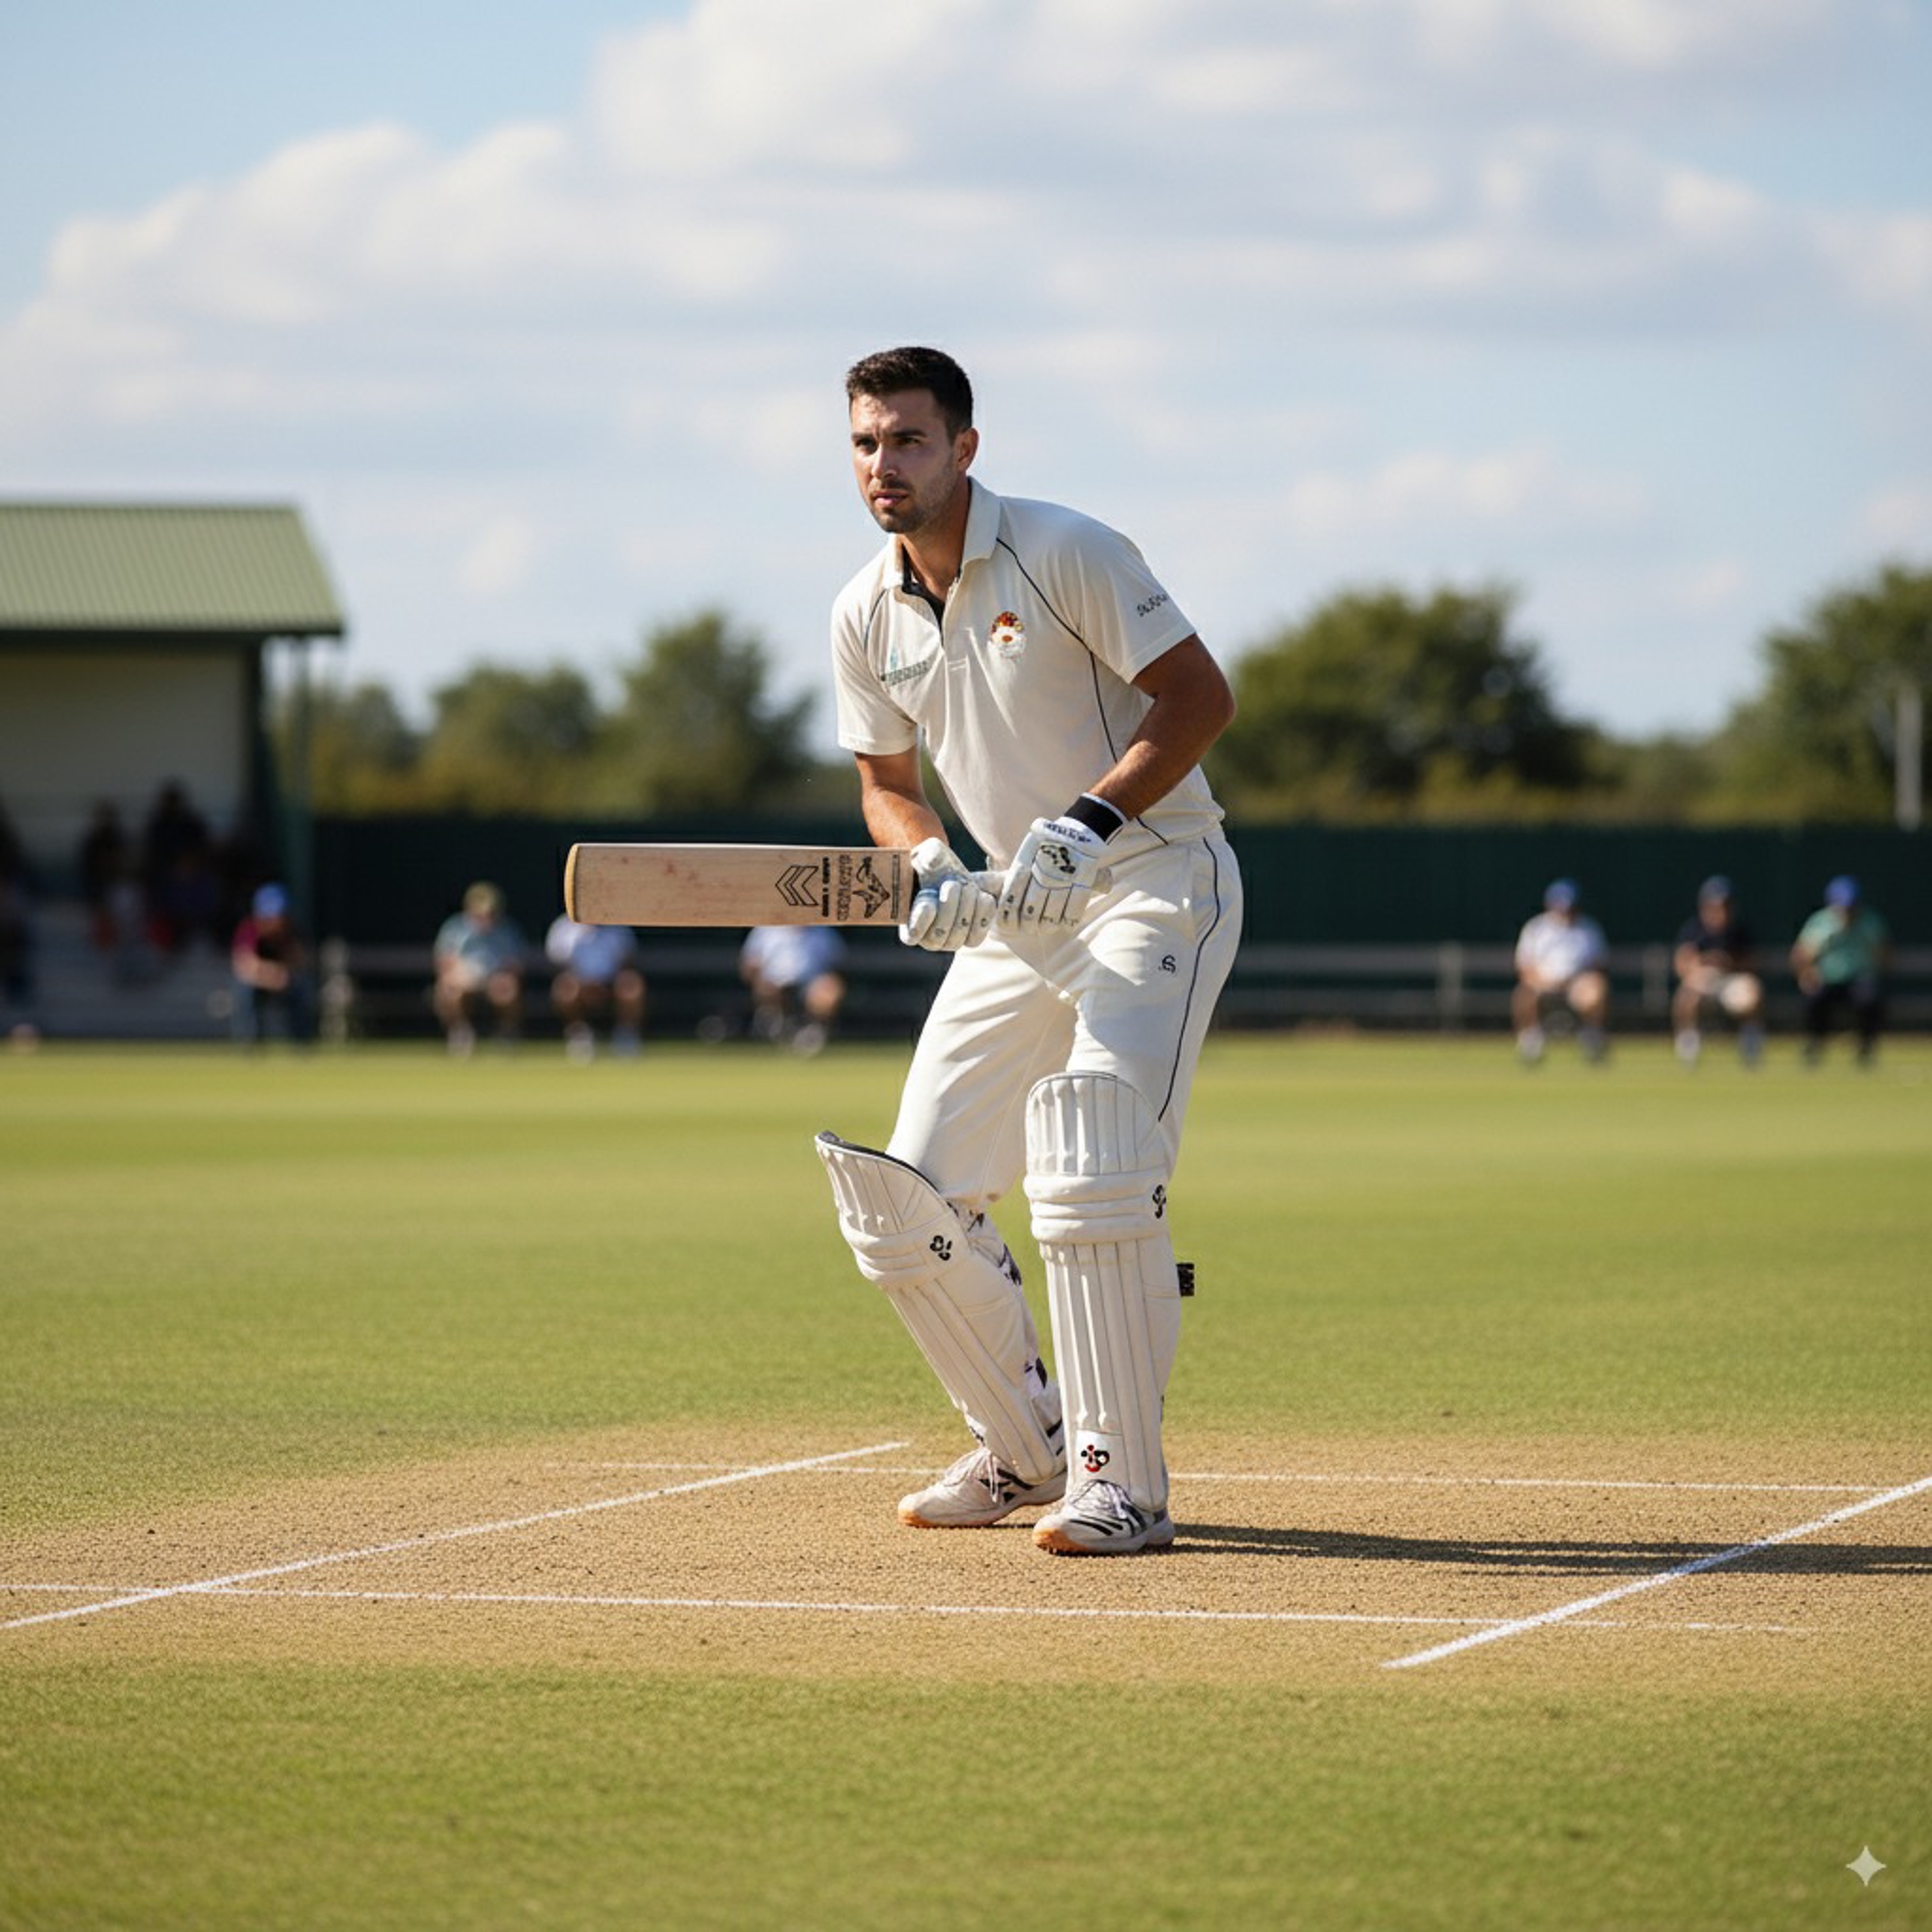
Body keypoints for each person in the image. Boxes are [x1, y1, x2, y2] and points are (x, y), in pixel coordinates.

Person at [812, 344, 1242, 1557]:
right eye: (864, 443)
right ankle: (1022, 1445)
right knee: (907, 1200)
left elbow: (1199, 696)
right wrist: (928, 860)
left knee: (1092, 1159)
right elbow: (885, 784)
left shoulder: (1063, 550)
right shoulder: (861, 610)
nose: (884, 464)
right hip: (1014, 907)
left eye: (907, 439)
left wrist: (1088, 820)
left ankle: (1119, 1482)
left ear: (963, 447)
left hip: (1151, 878)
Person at [1791, 875, 1891, 1065]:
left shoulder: (1869, 922)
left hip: (1858, 979)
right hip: (1827, 980)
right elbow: (1801, 953)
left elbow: (1884, 953)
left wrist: (1875, 970)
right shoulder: (1821, 923)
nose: (1847, 911)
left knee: (1869, 997)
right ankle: (1815, 1044)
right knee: (1814, 997)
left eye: (1851, 906)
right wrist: (1807, 974)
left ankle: (1866, 1046)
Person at [1671, 875, 1764, 1068]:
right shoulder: (1693, 929)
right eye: (1714, 905)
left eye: (1725, 905)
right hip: (1703, 982)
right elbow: (1681, 964)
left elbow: (1753, 964)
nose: (1720, 910)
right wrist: (1703, 964)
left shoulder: (1739, 930)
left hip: (1731, 981)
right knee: (1686, 995)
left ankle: (1751, 1044)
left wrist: (1728, 962)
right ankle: (1689, 1046)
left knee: (1752, 991)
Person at [1513, 878, 1609, 1064]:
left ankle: (1592, 1036)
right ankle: (1531, 1041)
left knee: (1596, 989)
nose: (1565, 912)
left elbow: (1597, 966)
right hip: (1542, 984)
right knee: (1524, 993)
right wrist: (1544, 982)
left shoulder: (1589, 929)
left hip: (1577, 984)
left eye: (1569, 907)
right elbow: (1524, 967)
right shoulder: (1535, 929)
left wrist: (1575, 981)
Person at [432, 881, 528, 1055]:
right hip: (463, 980)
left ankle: (506, 1034)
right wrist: (458, 976)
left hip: (495, 980)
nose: (485, 916)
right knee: (448, 991)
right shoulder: (454, 929)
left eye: (490, 912)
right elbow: (444, 963)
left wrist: (504, 977)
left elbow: (515, 965)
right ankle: (461, 1033)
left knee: (509, 990)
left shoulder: (507, 930)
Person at [545, 913, 646, 1061]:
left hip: (611, 984)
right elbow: (559, 965)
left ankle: (625, 1035)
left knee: (632, 985)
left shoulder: (618, 927)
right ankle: (579, 1035)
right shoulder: (563, 927)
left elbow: (627, 962)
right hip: (579, 983)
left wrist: (606, 982)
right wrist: (585, 982)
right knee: (565, 988)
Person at [740, 924, 847, 1056]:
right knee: (766, 988)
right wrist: (759, 981)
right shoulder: (765, 930)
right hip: (775, 983)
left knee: (829, 990)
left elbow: (837, 967)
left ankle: (814, 1030)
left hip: (810, 985)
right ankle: (775, 1025)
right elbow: (749, 965)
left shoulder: (824, 932)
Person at [229, 883, 315, 1044]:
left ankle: (302, 1042)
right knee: (245, 991)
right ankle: (250, 1042)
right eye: (270, 915)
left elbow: (301, 961)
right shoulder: (249, 929)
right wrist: (272, 975)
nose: (275, 920)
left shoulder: (292, 930)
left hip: (284, 981)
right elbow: (244, 966)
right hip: (258, 982)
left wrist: (284, 974)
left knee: (301, 988)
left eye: (278, 915)